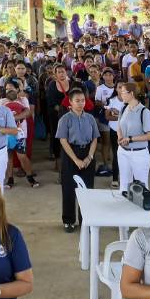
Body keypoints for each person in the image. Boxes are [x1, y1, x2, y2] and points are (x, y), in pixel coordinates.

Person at [56, 87, 100, 232]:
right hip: (70, 154)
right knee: (68, 188)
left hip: (87, 152)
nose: (80, 103)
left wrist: (89, 157)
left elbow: (94, 139)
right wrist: (75, 159)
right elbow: (63, 140)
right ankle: (68, 220)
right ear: (70, 102)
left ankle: (85, 219)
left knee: (87, 189)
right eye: (77, 101)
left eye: (83, 100)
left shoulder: (90, 118)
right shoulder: (65, 119)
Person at [114, 80, 150, 191]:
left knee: (141, 186)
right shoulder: (123, 108)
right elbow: (119, 127)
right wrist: (120, 138)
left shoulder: (144, 112)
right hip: (122, 152)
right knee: (124, 183)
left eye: (123, 92)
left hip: (139, 153)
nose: (120, 94)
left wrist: (131, 139)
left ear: (131, 94)